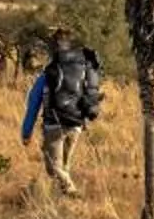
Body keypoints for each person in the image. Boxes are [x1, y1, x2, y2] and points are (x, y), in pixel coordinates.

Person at [20, 34, 103, 192]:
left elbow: (33, 105)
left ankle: (71, 190)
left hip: (54, 126)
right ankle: (62, 200)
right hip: (76, 125)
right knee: (65, 166)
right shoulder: (82, 72)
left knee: (53, 168)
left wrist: (26, 132)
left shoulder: (46, 76)